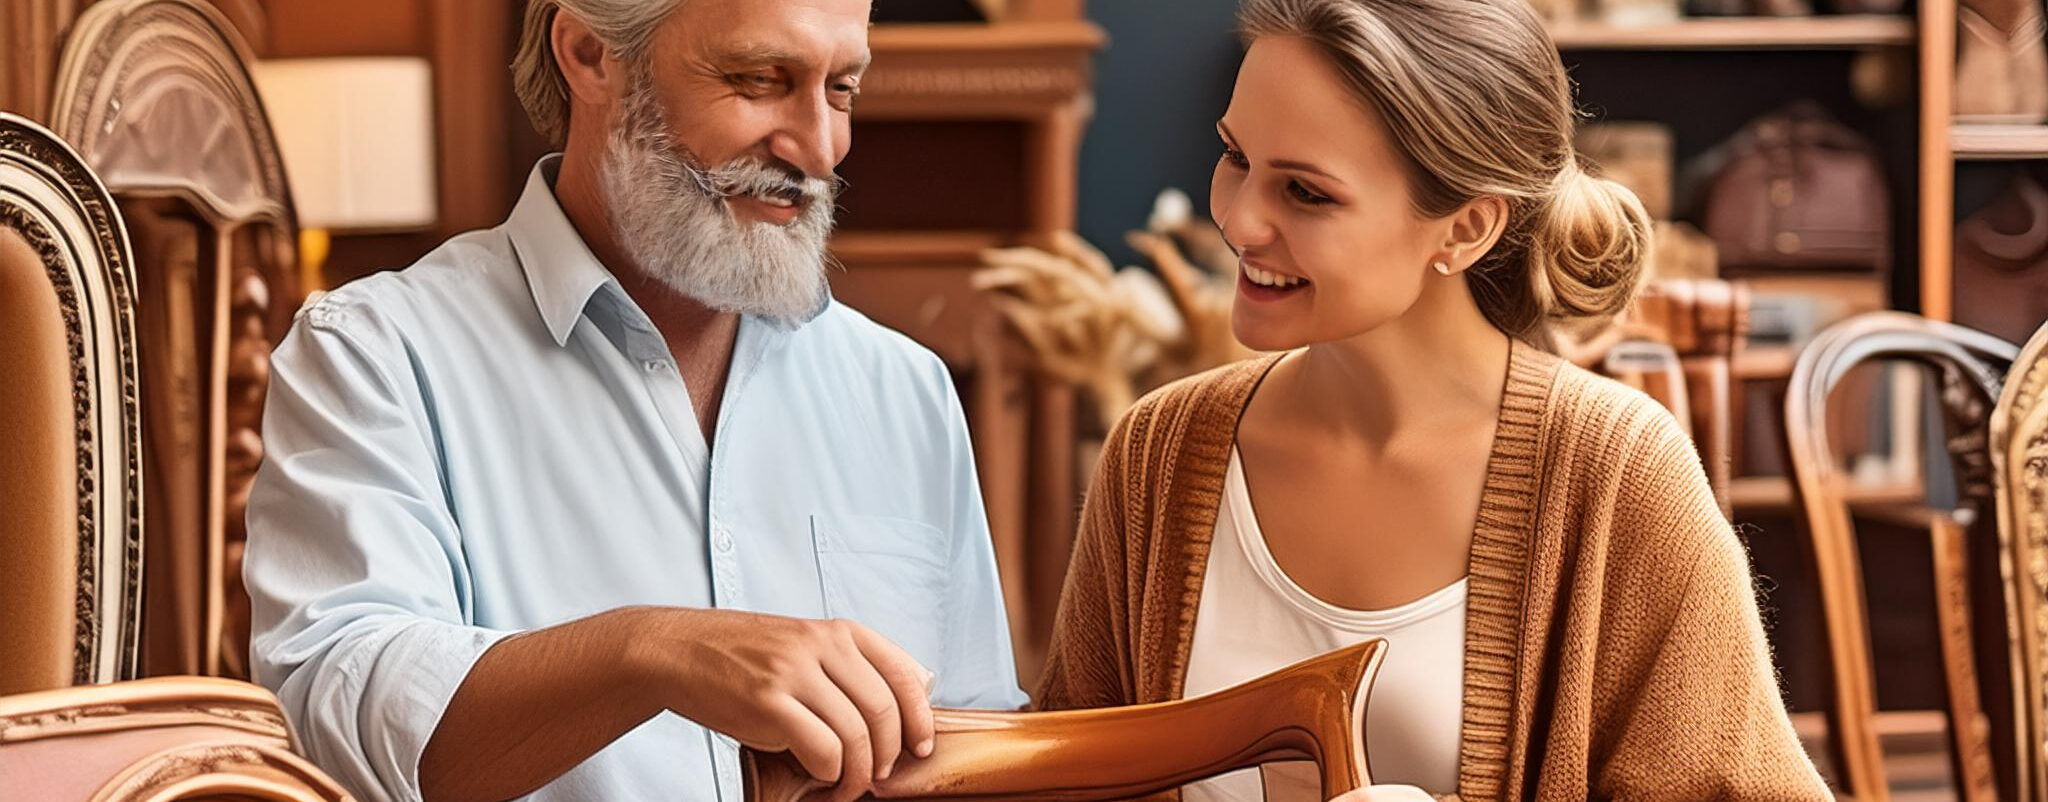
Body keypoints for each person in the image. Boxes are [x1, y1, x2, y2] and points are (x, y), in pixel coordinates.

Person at [1033, 0, 1831, 799]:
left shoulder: (1615, 470)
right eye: (1234, 156)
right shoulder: (1160, 450)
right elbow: (1066, 776)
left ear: (1466, 228)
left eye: (1306, 193)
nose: (1239, 220)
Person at [243, 1, 1025, 800]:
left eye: (842, 89)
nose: (819, 148)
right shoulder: (374, 355)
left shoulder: (908, 390)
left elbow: (984, 753)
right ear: (588, 54)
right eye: (759, 79)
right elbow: (336, 735)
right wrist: (653, 653)